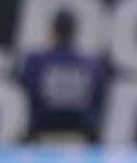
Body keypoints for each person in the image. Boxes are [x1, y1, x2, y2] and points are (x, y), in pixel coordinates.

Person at [18, 13, 107, 143]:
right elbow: (98, 98)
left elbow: (25, 87)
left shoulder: (35, 61)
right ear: (74, 32)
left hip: (41, 133)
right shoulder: (92, 64)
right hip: (82, 135)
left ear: (53, 31)